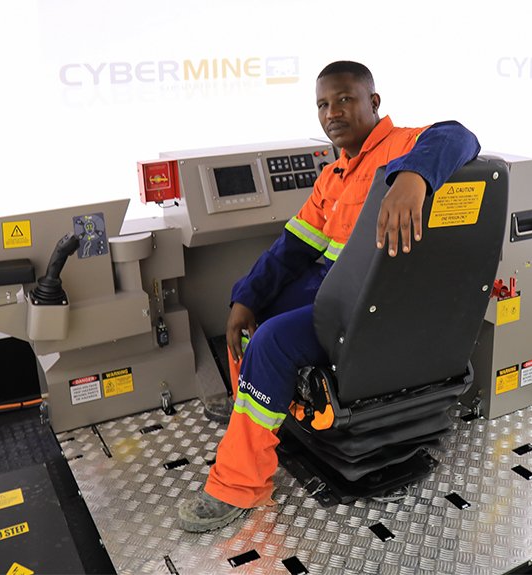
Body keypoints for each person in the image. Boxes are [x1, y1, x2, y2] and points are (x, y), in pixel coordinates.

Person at [177, 60, 480, 532]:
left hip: (375, 309)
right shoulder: (334, 175)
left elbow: (458, 135)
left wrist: (413, 177)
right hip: (338, 296)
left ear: (373, 103)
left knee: (274, 340)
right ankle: (252, 410)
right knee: (258, 313)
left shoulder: (404, 147)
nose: (332, 112)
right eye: (323, 104)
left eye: (344, 99)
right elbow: (292, 248)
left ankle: (239, 484)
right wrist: (245, 298)